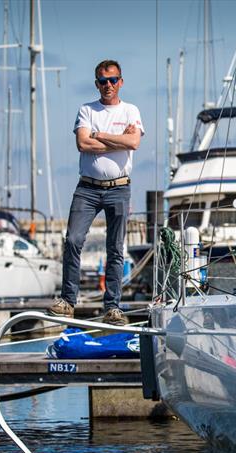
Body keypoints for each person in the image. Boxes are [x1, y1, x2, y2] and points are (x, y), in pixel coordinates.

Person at [48, 59, 144, 325]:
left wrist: (98, 136)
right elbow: (82, 143)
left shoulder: (130, 110)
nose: (108, 86)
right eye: (103, 81)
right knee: (73, 241)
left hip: (119, 188)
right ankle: (68, 301)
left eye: (113, 80)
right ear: (97, 84)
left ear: (120, 82)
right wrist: (115, 139)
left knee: (115, 248)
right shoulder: (86, 109)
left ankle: (112, 307)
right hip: (87, 189)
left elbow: (133, 141)